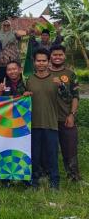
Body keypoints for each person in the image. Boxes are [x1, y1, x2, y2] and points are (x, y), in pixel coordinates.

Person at [24, 48, 65, 190]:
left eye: (44, 61)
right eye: (38, 61)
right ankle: (34, 182)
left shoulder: (56, 80)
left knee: (52, 155)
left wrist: (62, 86)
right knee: (34, 155)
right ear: (34, 62)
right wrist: (24, 95)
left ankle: (55, 183)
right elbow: (24, 101)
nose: (41, 63)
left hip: (51, 123)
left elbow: (66, 97)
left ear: (48, 62)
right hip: (34, 124)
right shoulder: (29, 80)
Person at [49, 45, 81, 182]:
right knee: (49, 149)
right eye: (54, 55)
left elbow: (75, 96)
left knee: (70, 147)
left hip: (66, 117)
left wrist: (72, 114)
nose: (57, 57)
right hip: (48, 119)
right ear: (50, 56)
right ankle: (48, 175)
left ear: (64, 56)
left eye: (60, 55)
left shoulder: (70, 74)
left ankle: (73, 176)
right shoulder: (43, 73)